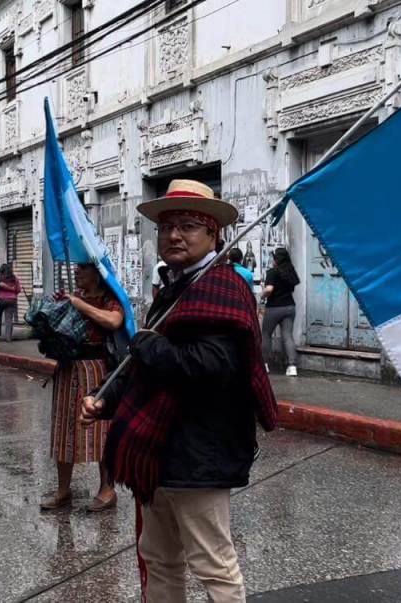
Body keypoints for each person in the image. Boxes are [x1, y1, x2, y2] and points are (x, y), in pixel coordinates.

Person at [81, 179, 277, 602]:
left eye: (188, 225)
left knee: (213, 564)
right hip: (158, 453)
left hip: (200, 452)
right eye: (167, 226)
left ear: (213, 234)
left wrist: (149, 344)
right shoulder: (173, 288)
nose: (173, 235)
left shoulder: (224, 287)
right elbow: (146, 372)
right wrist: (106, 400)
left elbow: (213, 365)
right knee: (159, 557)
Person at [41, 263, 125, 512]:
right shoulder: (73, 296)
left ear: (97, 274)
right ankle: (63, 490)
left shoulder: (109, 299)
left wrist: (81, 306)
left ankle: (107, 489)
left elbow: (114, 321)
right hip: (68, 369)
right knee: (64, 428)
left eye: (83, 270)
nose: (77, 273)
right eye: (76, 269)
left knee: (101, 430)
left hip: (96, 369)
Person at [261, 247, 300, 377]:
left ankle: (264, 364)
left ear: (276, 259)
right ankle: (292, 366)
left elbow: (269, 289)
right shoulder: (291, 271)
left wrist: (262, 296)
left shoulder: (272, 272)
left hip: (274, 308)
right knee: (288, 336)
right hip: (289, 307)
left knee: (266, 335)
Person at [0, 263, 22, 342]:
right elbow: (18, 290)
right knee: (9, 319)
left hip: (0, 300)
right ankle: (8, 337)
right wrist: (13, 293)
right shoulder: (14, 278)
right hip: (11, 300)